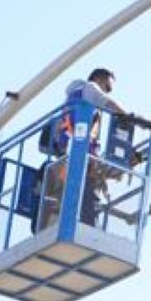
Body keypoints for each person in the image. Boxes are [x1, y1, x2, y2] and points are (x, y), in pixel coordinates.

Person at [40, 68, 129, 230]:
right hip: (80, 156)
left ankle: (68, 223)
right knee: (88, 198)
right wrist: (127, 116)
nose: (109, 90)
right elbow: (106, 102)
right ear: (100, 78)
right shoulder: (90, 88)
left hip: (67, 155)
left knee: (74, 196)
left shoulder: (74, 96)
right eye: (108, 86)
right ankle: (89, 229)